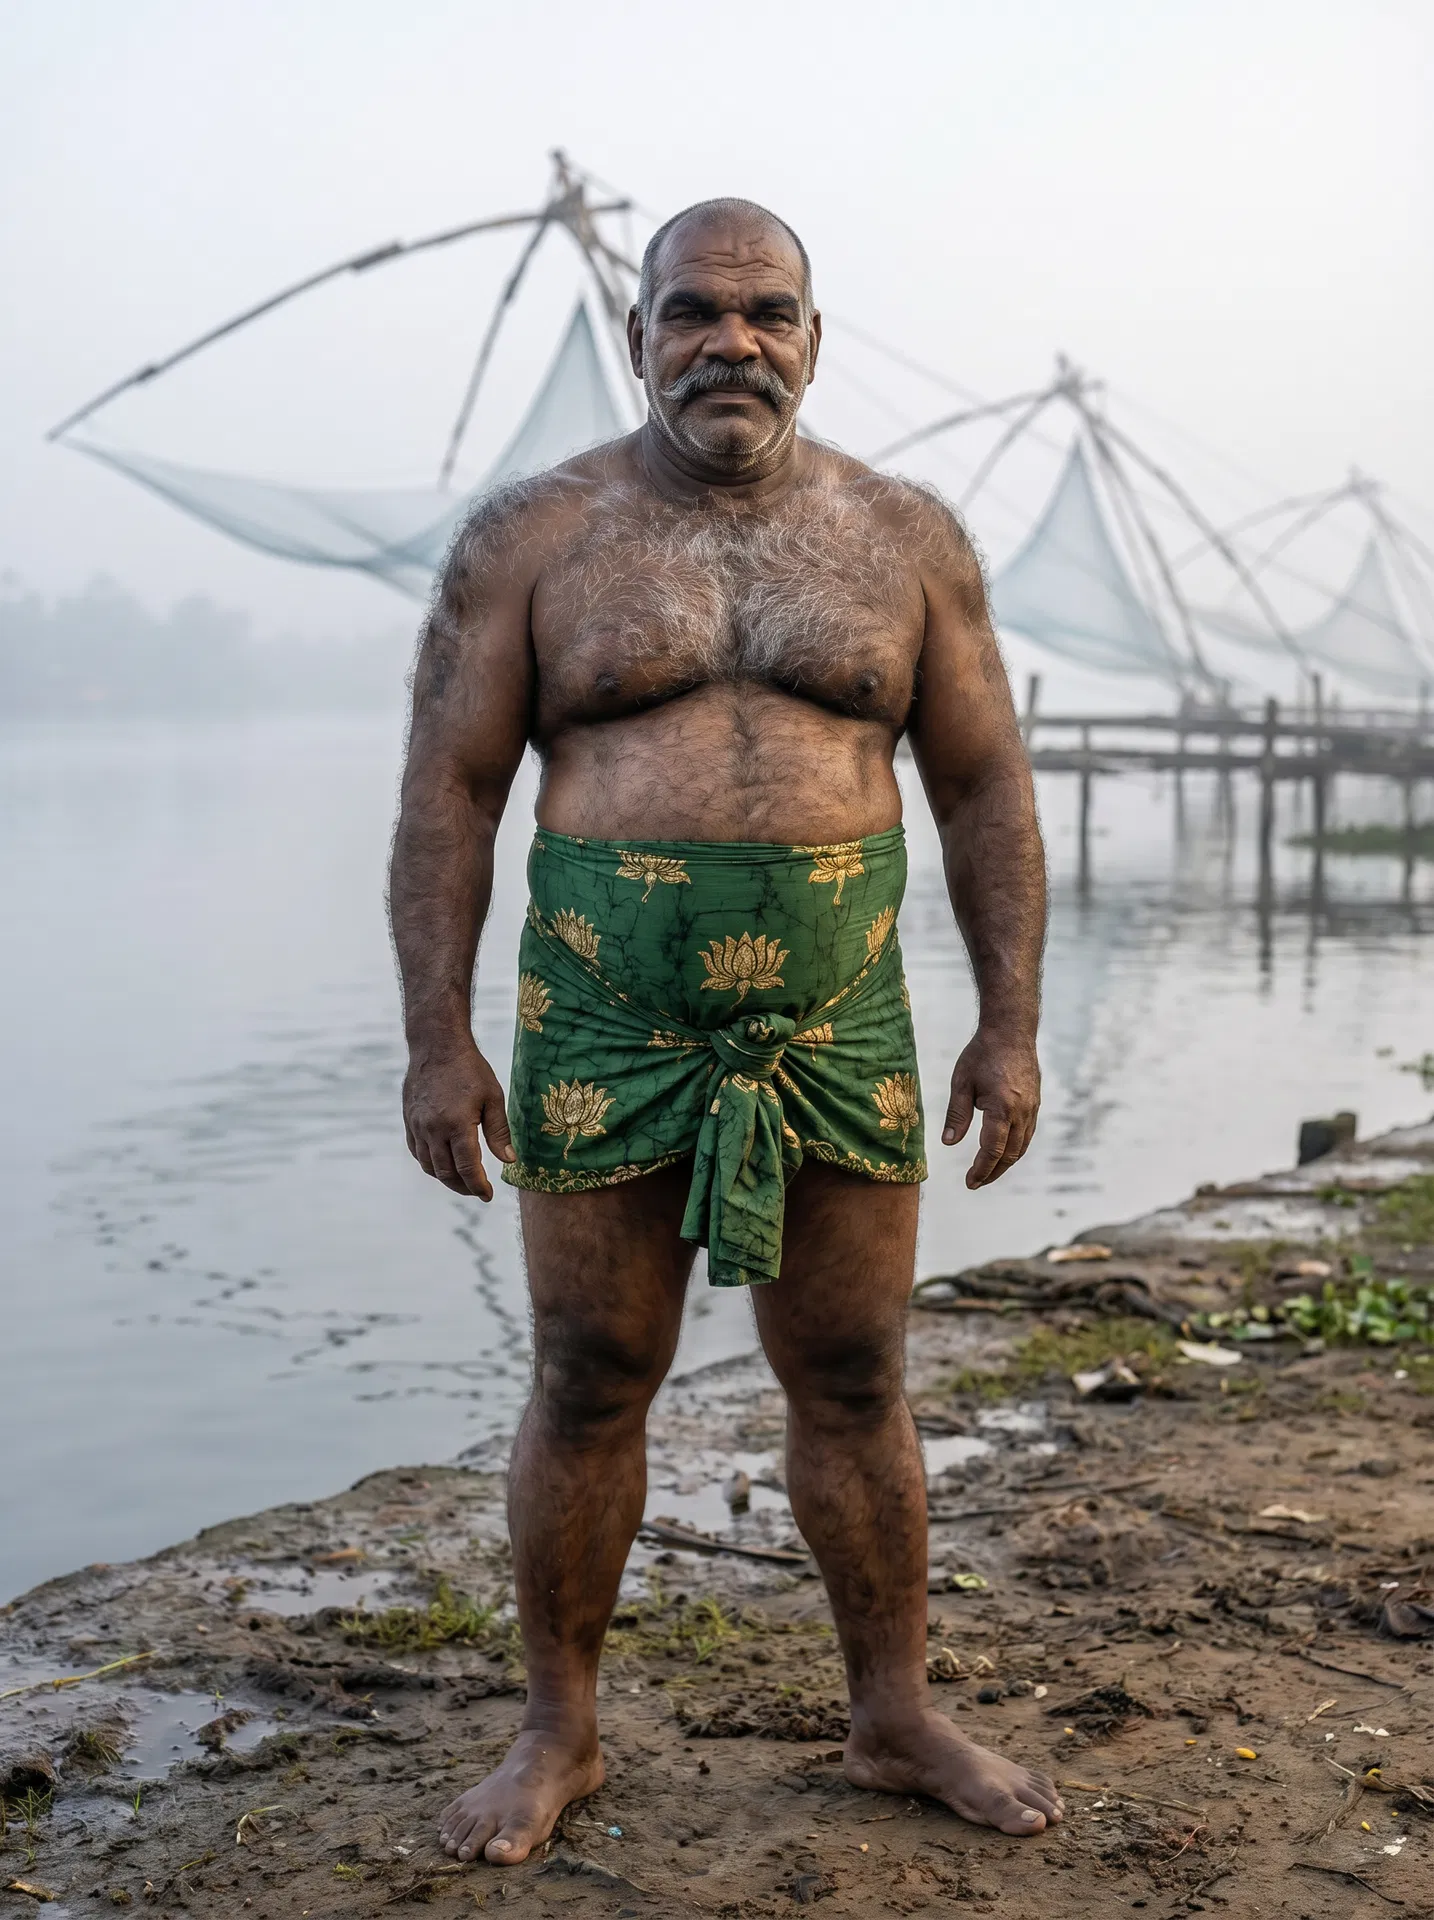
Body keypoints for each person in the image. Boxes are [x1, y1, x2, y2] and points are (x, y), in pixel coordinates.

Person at [389, 197, 1055, 1867]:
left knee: (851, 1371)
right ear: (640, 335)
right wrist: (435, 1041)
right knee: (588, 1370)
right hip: (601, 1018)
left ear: (813, 341)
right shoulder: (531, 542)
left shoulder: (905, 539)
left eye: (766, 313)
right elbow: (451, 797)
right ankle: (559, 1729)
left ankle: (892, 1713)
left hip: (836, 1018)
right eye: (694, 310)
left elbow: (980, 785)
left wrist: (1011, 1027)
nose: (730, 342)